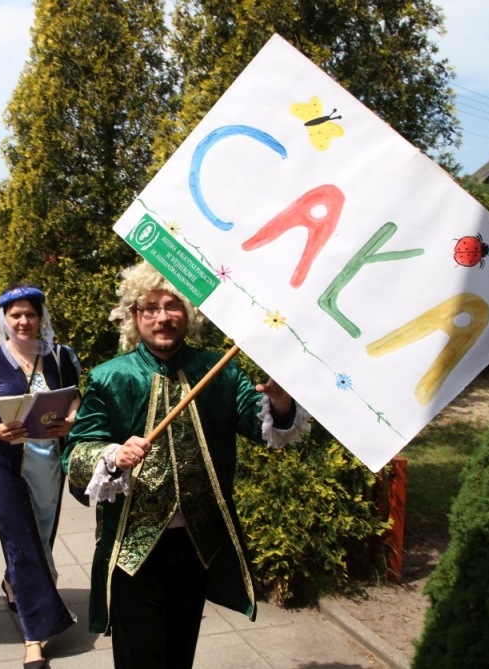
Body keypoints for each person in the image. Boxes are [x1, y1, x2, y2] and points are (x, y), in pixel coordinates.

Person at [62, 262, 309, 669]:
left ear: (188, 314)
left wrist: (280, 400)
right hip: (132, 546)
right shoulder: (111, 378)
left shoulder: (220, 371)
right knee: (139, 655)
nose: (162, 317)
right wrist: (112, 455)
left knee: (179, 654)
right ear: (134, 316)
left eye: (172, 306)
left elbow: (262, 424)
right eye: (150, 308)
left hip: (197, 542)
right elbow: (76, 454)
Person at [0, 284, 81, 669]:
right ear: (2, 320)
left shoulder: (61, 357)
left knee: (40, 538)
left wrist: (71, 422)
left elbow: (76, 400)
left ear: (40, 317)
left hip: (49, 467)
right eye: (16, 315)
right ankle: (35, 636)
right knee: (23, 544)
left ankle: (15, 584)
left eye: (30, 314)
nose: (24, 322)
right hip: (3, 465)